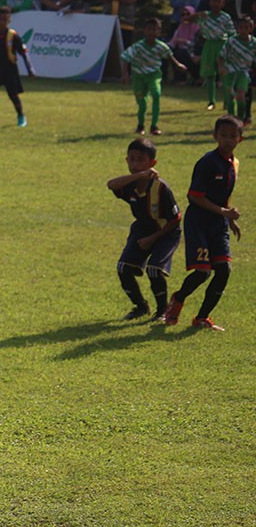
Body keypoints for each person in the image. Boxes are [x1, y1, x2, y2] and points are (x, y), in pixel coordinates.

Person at [163, 115, 243, 331]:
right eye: (223, 135)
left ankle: (202, 318)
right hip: (198, 222)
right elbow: (195, 196)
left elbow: (223, 194)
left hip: (218, 224)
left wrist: (228, 218)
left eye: (233, 136)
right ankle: (177, 300)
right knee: (202, 272)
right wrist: (224, 212)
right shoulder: (207, 162)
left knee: (224, 269)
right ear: (215, 136)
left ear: (240, 139)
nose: (228, 140)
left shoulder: (233, 164)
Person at [105, 138, 182, 321]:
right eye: (131, 159)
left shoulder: (161, 188)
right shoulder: (131, 183)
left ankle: (162, 310)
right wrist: (139, 175)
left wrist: (153, 238)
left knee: (154, 269)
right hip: (142, 230)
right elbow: (111, 185)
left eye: (141, 160)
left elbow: (176, 219)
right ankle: (140, 307)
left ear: (152, 163)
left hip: (166, 233)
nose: (135, 164)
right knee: (123, 268)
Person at [120, 18, 187, 136]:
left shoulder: (161, 46)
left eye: (155, 30)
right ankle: (140, 126)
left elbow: (169, 55)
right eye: (149, 29)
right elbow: (125, 57)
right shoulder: (138, 46)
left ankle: (154, 126)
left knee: (156, 94)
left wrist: (178, 65)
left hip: (153, 75)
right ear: (144, 31)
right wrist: (125, 74)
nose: (152, 32)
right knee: (142, 103)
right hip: (139, 76)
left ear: (159, 32)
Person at [196, 0, 234, 110]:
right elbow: (187, 19)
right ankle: (211, 101)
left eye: (219, 1)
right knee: (210, 74)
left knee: (225, 74)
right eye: (214, 1)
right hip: (209, 44)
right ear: (210, 2)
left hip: (222, 44)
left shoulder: (225, 17)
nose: (216, 4)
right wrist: (198, 15)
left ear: (223, 3)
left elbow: (231, 33)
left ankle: (227, 101)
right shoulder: (205, 16)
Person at [219, 16, 256, 121]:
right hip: (230, 71)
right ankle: (231, 118)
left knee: (241, 95)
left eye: (246, 27)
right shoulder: (231, 41)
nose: (243, 30)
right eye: (241, 27)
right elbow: (221, 56)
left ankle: (240, 118)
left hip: (244, 72)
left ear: (251, 28)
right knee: (230, 97)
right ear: (237, 28)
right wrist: (221, 67)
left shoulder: (254, 43)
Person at [168, 5, 200, 85]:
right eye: (183, 15)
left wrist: (184, 41)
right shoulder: (180, 27)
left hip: (194, 53)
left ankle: (197, 78)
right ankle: (179, 79)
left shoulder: (197, 28)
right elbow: (173, 42)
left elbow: (196, 43)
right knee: (172, 52)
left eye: (188, 14)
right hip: (181, 52)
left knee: (182, 53)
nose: (185, 17)